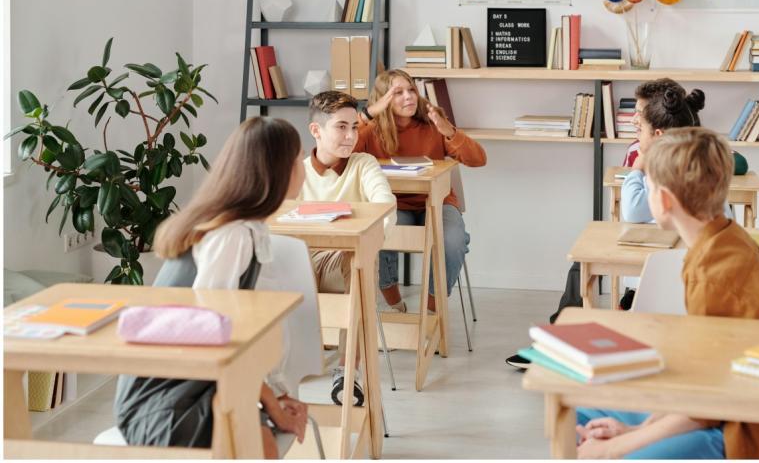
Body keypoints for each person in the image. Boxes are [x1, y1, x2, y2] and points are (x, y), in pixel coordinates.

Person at [573, 127, 759, 459]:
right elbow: (703, 382)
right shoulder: (720, 240)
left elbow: (706, 407)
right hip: (725, 405)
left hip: (757, 430)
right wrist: (635, 431)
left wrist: (616, 447)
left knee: (612, 446)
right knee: (584, 412)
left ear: (663, 200)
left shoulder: (714, 276)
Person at [506, 78, 743, 370]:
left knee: (584, 260)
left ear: (658, 132)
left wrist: (638, 168)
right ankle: (563, 337)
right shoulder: (701, 156)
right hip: (680, 265)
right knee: (585, 261)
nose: (634, 121)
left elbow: (633, 211)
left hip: (664, 266)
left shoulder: (666, 167)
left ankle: (559, 341)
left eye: (639, 117)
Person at [114, 117, 308, 458]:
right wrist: (270, 402)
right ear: (279, 170)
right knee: (259, 446)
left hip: (201, 386)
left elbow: (234, 339)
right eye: (298, 158)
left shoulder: (245, 229)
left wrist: (273, 395)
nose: (303, 167)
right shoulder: (231, 237)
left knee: (259, 440)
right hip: (165, 402)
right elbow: (211, 340)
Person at [354, 69, 486, 314]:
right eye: (398, 93)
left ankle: (432, 312)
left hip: (437, 202)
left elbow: (478, 159)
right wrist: (368, 114)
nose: (408, 97)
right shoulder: (370, 131)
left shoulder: (433, 124)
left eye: (411, 90)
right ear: (382, 99)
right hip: (394, 205)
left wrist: (449, 132)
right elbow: (340, 153)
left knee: (453, 241)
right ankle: (394, 303)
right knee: (378, 232)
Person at [300, 90, 396, 407]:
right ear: (316, 131)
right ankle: (275, 372)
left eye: (354, 127)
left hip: (345, 259)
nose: (351, 135)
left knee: (359, 261)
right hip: (301, 262)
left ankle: (347, 372)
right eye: (341, 127)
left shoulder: (363, 164)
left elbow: (385, 207)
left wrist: (368, 241)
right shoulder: (297, 171)